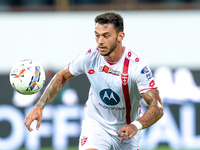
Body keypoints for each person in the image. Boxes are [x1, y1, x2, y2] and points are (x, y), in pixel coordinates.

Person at [24, 11, 164, 150]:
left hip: (127, 132)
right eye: (97, 36)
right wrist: (39, 105)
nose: (100, 41)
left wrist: (135, 125)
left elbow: (157, 107)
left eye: (106, 36)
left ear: (120, 36)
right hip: (96, 125)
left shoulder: (136, 66)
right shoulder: (89, 57)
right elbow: (62, 76)